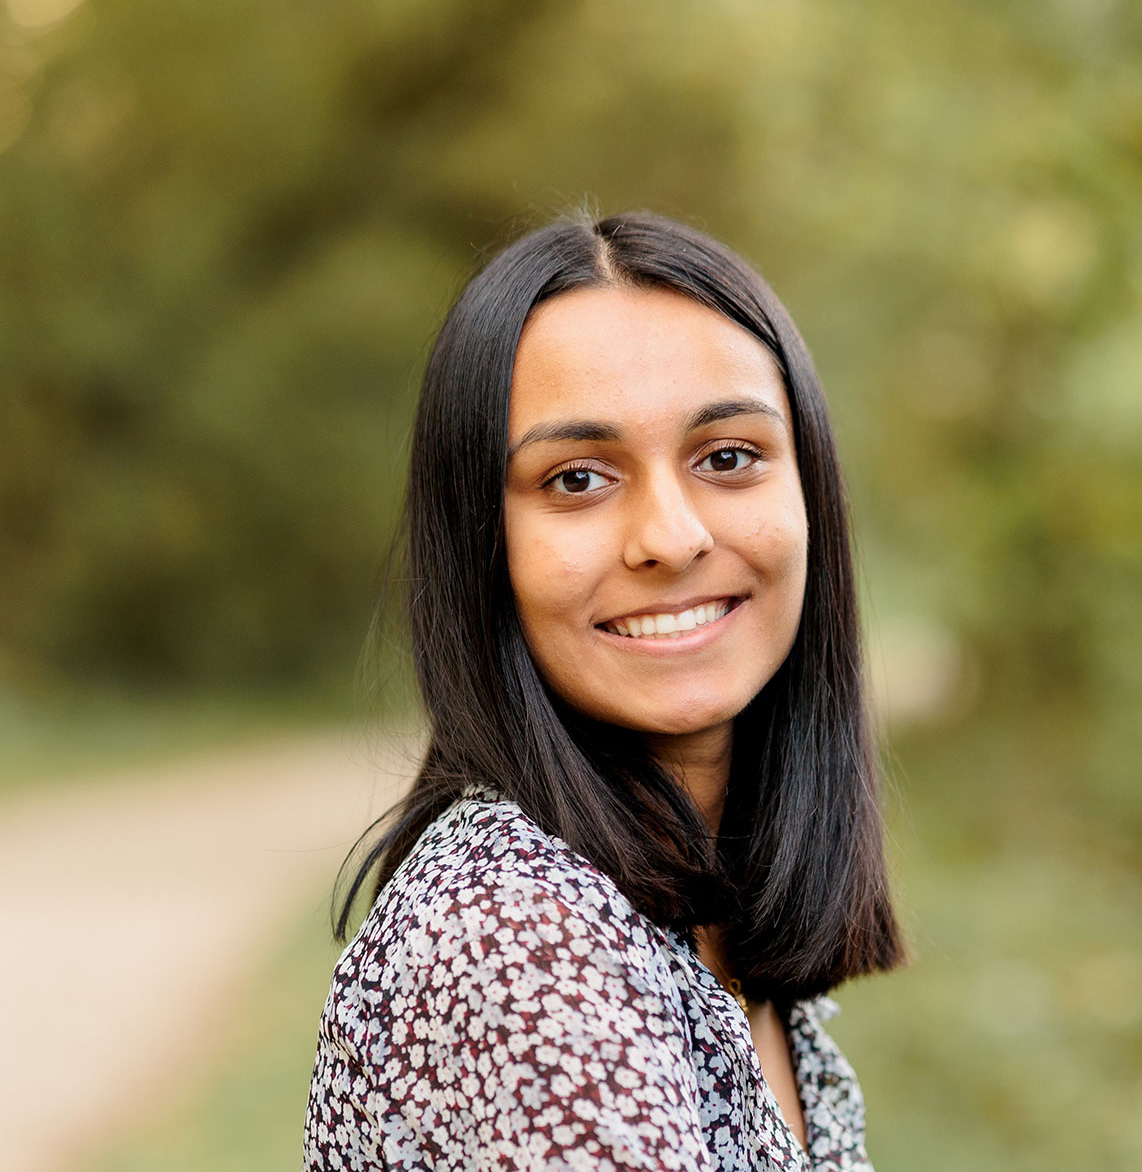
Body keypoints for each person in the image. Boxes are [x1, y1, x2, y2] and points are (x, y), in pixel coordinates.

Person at [303, 211, 905, 1170]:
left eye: (728, 457)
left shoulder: (722, 946)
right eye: (578, 478)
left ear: (811, 494)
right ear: (480, 547)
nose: (670, 537)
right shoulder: (518, 941)